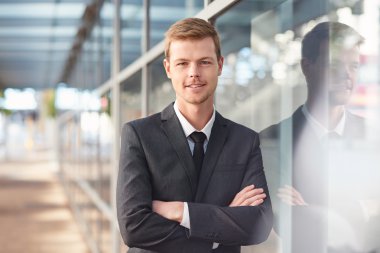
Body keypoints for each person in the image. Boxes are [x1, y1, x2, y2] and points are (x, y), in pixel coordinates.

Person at [117, 18, 273, 253]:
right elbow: (134, 226)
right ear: (168, 68)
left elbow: (259, 224)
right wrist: (218, 229)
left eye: (204, 62)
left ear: (220, 65)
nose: (194, 73)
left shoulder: (245, 140)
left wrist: (181, 211)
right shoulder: (139, 135)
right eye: (182, 63)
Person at [260, 22, 378, 253]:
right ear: (307, 67)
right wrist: (364, 207)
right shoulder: (271, 139)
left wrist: (311, 205)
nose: (346, 75)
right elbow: (289, 221)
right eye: (334, 64)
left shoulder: (374, 137)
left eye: (353, 66)